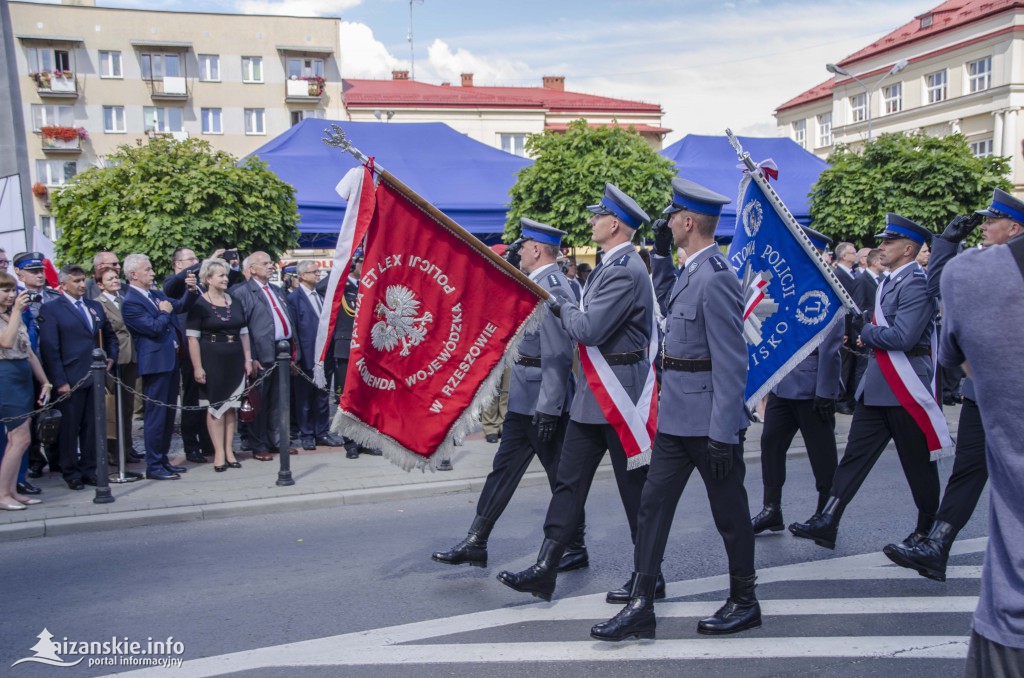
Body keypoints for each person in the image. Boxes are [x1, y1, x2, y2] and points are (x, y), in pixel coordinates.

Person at [592, 178, 757, 641]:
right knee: (651, 507)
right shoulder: (690, 270)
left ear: (688, 222)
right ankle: (642, 603)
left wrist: (724, 432)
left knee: (729, 513)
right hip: (676, 419)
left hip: (708, 422)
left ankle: (745, 600)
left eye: (671, 218)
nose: (665, 222)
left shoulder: (718, 278)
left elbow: (731, 361)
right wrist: (662, 257)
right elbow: (669, 307)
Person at [496, 183, 653, 602]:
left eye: (598, 216)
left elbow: (589, 329)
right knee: (568, 483)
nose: (591, 222)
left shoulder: (625, 270)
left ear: (615, 224)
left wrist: (559, 305)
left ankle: (648, 576)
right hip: (593, 394)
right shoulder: (609, 265)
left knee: (634, 493)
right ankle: (546, 568)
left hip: (618, 395)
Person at [885, 189, 1023, 583]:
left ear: (1013, 228)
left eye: (990, 221)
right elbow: (941, 287)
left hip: (1006, 391)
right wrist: (947, 243)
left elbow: (946, 298)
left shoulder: (996, 269)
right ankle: (937, 544)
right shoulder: (983, 264)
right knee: (968, 469)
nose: (982, 227)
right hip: (983, 394)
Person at [433, 219, 580, 569]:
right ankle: (476, 540)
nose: (519, 251)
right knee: (503, 470)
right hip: (524, 396)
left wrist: (549, 406)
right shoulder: (536, 281)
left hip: (546, 401)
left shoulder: (554, 286)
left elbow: (559, 354)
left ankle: (575, 545)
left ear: (535, 249)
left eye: (523, 245)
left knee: (562, 477)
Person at [790, 214, 941, 551]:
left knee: (917, 463)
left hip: (905, 388)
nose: (880, 247)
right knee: (855, 457)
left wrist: (867, 332)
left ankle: (927, 530)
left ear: (908, 248)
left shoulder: (916, 282)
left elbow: (903, 336)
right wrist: (871, 333)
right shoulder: (891, 280)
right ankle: (829, 518)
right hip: (878, 385)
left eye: (889, 242)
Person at [933, 208, 1024, 676]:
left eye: (994, 222)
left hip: (1013, 621)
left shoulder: (973, 278)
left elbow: (965, 358)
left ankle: (935, 540)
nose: (986, 228)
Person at [750, 228, 843, 534]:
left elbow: (830, 348)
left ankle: (825, 514)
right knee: (770, 444)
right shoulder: (788, 287)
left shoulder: (828, 288)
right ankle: (771, 508)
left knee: (823, 455)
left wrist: (826, 391)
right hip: (783, 384)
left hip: (811, 387)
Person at [38, 265, 118, 490]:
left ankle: (89, 468)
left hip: (95, 375)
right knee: (69, 427)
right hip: (70, 378)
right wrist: (60, 381)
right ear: (63, 285)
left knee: (92, 426)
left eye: (83, 280)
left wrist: (110, 357)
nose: (82, 285)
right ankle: (70, 471)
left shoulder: (94, 307)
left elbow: (109, 335)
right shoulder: (52, 309)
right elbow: (50, 348)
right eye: (76, 281)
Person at [122, 253, 197, 480]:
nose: (152, 273)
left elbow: (181, 306)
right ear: (134, 274)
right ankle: (154, 465)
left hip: (171, 359)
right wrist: (164, 312)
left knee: (167, 414)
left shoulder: (154, 294)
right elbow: (152, 328)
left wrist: (191, 291)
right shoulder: (131, 302)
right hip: (155, 364)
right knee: (156, 416)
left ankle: (163, 460)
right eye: (147, 270)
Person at [187, 258, 252, 472]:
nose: (225, 278)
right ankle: (218, 453)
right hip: (211, 358)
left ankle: (229, 450)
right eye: (221, 275)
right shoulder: (199, 304)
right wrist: (198, 367)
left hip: (234, 358)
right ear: (208, 279)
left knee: (231, 408)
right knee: (216, 407)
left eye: (226, 275)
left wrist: (248, 359)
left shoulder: (234, 301)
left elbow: (243, 333)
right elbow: (193, 338)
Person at [233, 251, 298, 461]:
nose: (271, 266)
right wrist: (250, 356)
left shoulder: (277, 290)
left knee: (279, 402)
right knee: (259, 402)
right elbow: (242, 327)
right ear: (252, 268)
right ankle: (258, 444)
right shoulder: (243, 292)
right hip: (261, 355)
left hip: (282, 353)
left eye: (271, 263)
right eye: (266, 263)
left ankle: (277, 441)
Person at [0, 273, 51, 509]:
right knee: (19, 438)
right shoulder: (13, 316)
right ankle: (2, 494)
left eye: (12, 291)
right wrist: (18, 312)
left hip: (22, 376)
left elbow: (28, 351)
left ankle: (11, 490)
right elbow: (7, 342)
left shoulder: (11, 315)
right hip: (6, 377)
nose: (11, 295)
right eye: (5, 291)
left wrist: (44, 381)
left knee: (20, 438)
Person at [164, 247, 213, 464]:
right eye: (191, 259)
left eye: (196, 258)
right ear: (178, 264)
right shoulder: (174, 284)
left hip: (210, 347)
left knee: (210, 398)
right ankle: (191, 445)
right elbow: (173, 287)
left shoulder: (201, 285)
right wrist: (206, 260)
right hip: (189, 349)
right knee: (192, 400)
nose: (196, 262)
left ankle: (208, 441)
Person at [288, 260, 343, 451]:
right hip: (306, 355)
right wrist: (296, 357)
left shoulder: (320, 296)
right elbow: (294, 329)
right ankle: (307, 433)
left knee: (322, 396)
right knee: (304, 398)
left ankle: (322, 432)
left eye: (318, 271)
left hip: (324, 355)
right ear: (302, 275)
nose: (318, 275)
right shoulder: (294, 299)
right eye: (314, 272)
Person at [15, 252, 61, 481]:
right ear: (19, 274)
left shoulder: (54, 297)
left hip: (55, 364)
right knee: (32, 417)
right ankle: (35, 460)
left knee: (58, 412)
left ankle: (57, 458)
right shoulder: (16, 300)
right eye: (33, 272)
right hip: (31, 366)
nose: (40, 275)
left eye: (41, 271)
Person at [95, 269, 142, 466]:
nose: (115, 281)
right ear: (100, 284)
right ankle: (114, 452)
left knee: (128, 406)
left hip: (131, 356)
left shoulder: (123, 299)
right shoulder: (99, 303)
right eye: (110, 279)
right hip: (115, 360)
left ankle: (127, 448)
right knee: (113, 408)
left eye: (116, 277)